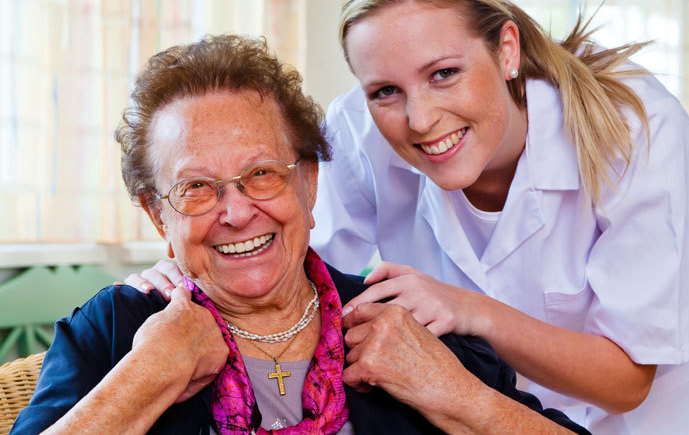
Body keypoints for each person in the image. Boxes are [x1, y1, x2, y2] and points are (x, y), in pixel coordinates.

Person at [127, 0, 689, 433]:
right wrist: (187, 271)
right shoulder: (356, 134)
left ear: (507, 48)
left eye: (444, 74)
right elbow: (294, 273)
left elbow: (626, 380)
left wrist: (468, 310)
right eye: (385, 91)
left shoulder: (632, 128)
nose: (418, 119)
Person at [11, 35, 586, 435]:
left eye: (261, 174)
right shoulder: (116, 333)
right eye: (196, 188)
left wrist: (452, 393)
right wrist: (146, 377)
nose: (236, 212)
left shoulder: (400, 323)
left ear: (309, 185)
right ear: (160, 217)